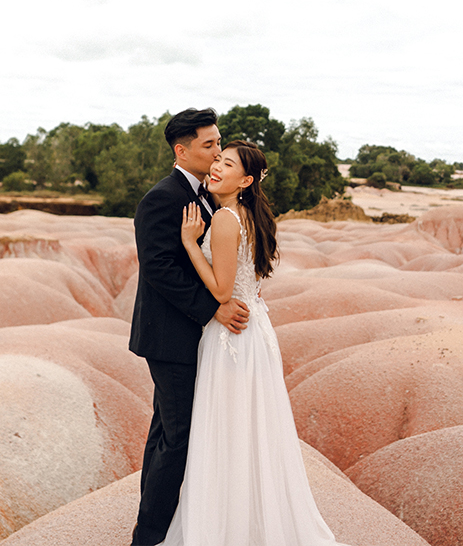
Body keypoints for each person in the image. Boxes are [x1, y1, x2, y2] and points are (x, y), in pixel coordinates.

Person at [159, 140, 349, 546]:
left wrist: (191, 242)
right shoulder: (253, 215)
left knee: (225, 431)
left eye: (226, 163)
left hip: (231, 334)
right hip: (253, 333)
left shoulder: (227, 219)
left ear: (245, 180)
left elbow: (223, 291)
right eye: (217, 159)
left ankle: (224, 527)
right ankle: (252, 522)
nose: (215, 166)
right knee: (250, 430)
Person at [130, 108, 251, 546]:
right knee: (177, 437)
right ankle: (149, 537)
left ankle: (153, 525)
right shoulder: (162, 197)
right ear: (182, 151)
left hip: (187, 335)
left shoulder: (207, 195)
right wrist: (212, 310)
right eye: (209, 144)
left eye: (219, 143)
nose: (218, 151)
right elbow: (158, 267)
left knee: (166, 431)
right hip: (169, 335)